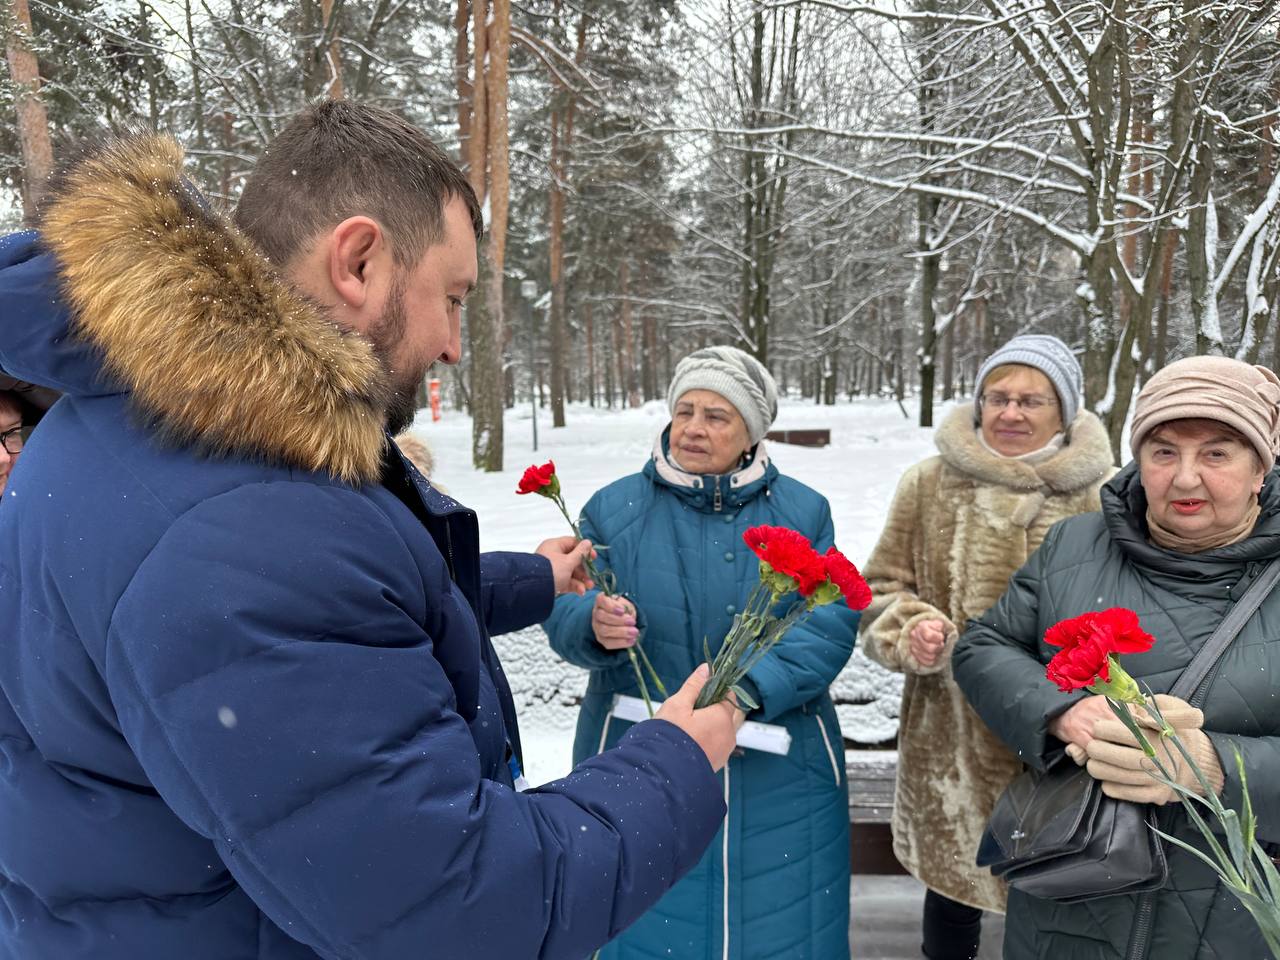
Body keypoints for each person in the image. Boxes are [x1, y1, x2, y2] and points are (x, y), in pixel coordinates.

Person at [0, 103, 741, 960]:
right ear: (357, 263)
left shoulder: (129, 426)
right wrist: (673, 765)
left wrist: (532, 581)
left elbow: (353, 616)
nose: (455, 345)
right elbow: (460, 910)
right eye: (453, 298)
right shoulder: (249, 521)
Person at [953, 355, 1280, 959]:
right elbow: (984, 646)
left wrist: (1216, 768)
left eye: (1216, 453)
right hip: (1071, 903)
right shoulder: (1074, 545)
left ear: (1262, 465)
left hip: (1239, 920)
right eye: (1162, 452)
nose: (1184, 479)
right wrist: (1062, 712)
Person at [544, 345, 861, 960]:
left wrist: (744, 695)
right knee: (645, 922)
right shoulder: (614, 508)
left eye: (717, 415)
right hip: (640, 760)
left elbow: (826, 618)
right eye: (684, 409)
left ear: (751, 431)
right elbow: (566, 602)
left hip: (780, 769)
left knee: (784, 929)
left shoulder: (803, 511)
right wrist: (593, 624)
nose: (693, 427)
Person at [859, 334, 1114, 960]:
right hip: (952, 741)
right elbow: (879, 589)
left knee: (1065, 896)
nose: (1010, 413)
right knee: (954, 888)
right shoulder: (928, 484)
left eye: (1031, 400)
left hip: (1072, 734)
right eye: (996, 398)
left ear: (1066, 410)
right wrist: (912, 630)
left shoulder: (1106, 493)